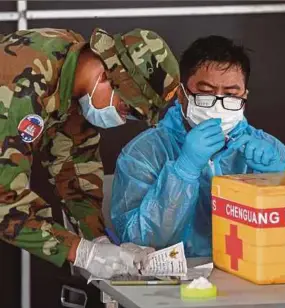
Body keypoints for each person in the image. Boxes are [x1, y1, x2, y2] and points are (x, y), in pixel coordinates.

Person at [0, 27, 180, 278]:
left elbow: (74, 170)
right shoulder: (21, 88)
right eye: (124, 107)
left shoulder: (74, 72)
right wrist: (82, 252)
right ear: (106, 75)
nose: (120, 118)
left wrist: (100, 241)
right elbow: (5, 203)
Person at [110, 35, 285, 257]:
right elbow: (139, 241)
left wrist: (279, 180)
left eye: (231, 95)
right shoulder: (143, 153)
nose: (217, 104)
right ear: (182, 95)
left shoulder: (269, 150)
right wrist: (184, 170)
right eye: (205, 93)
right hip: (173, 285)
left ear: (244, 96)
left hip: (250, 278)